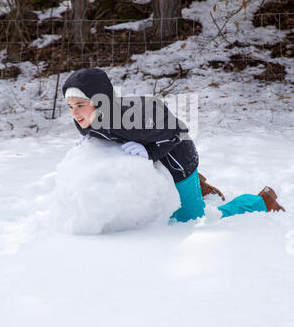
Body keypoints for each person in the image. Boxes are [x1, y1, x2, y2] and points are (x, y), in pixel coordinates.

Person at [62, 67, 285, 223]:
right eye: (70, 106)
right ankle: (199, 186)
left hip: (179, 161)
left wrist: (148, 151)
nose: (75, 113)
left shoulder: (131, 119)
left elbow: (177, 132)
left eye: (80, 105)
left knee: (192, 220)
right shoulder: (85, 117)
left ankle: (258, 202)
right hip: (159, 163)